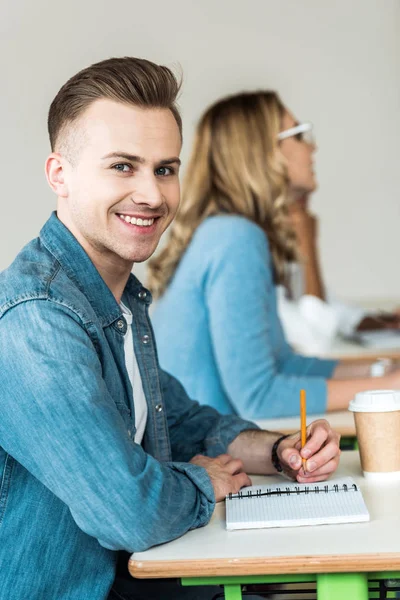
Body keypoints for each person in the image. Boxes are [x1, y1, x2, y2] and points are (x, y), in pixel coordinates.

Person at [0, 60, 341, 600]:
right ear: (58, 174)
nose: (153, 196)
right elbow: (129, 511)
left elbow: (179, 421)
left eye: (164, 169)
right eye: (122, 166)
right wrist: (204, 481)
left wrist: (279, 451)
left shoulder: (117, 299)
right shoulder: (38, 319)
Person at [148, 90, 400, 420]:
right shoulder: (235, 238)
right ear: (262, 152)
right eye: (299, 134)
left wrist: (381, 370)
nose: (312, 146)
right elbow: (258, 396)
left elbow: (282, 362)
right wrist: (389, 387)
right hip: (210, 457)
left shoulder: (231, 232)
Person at [276, 142, 400, 354]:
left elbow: (339, 314)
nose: (305, 206)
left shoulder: (289, 261)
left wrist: (390, 320)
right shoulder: (256, 255)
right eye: (298, 196)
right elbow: (313, 345)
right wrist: (307, 244)